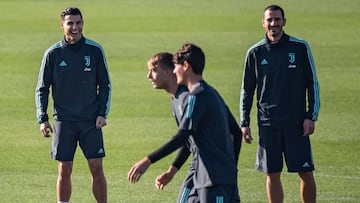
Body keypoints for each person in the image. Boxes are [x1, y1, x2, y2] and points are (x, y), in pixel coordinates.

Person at [128, 43, 241, 203]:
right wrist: (231, 167)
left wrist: (148, 160)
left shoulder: (194, 97)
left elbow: (183, 136)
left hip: (214, 176)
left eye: (176, 67)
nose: (174, 71)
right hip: (207, 172)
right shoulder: (207, 93)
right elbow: (234, 132)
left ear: (185, 66)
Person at [239, 5, 320, 203]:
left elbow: (313, 84)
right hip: (268, 124)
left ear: (284, 21)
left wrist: (311, 116)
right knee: (272, 173)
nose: (273, 24)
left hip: (296, 123)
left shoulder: (300, 47)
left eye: (277, 19)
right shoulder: (255, 52)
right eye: (269, 20)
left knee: (305, 173)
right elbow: (247, 90)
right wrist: (244, 121)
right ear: (263, 23)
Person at [35, 7, 111, 203]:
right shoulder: (52, 54)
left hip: (90, 121)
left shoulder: (94, 50)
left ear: (82, 24)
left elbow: (105, 85)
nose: (75, 27)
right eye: (70, 23)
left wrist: (102, 113)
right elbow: (42, 88)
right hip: (64, 121)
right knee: (64, 168)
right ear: (62, 25)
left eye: (78, 22)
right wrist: (42, 119)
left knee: (96, 167)